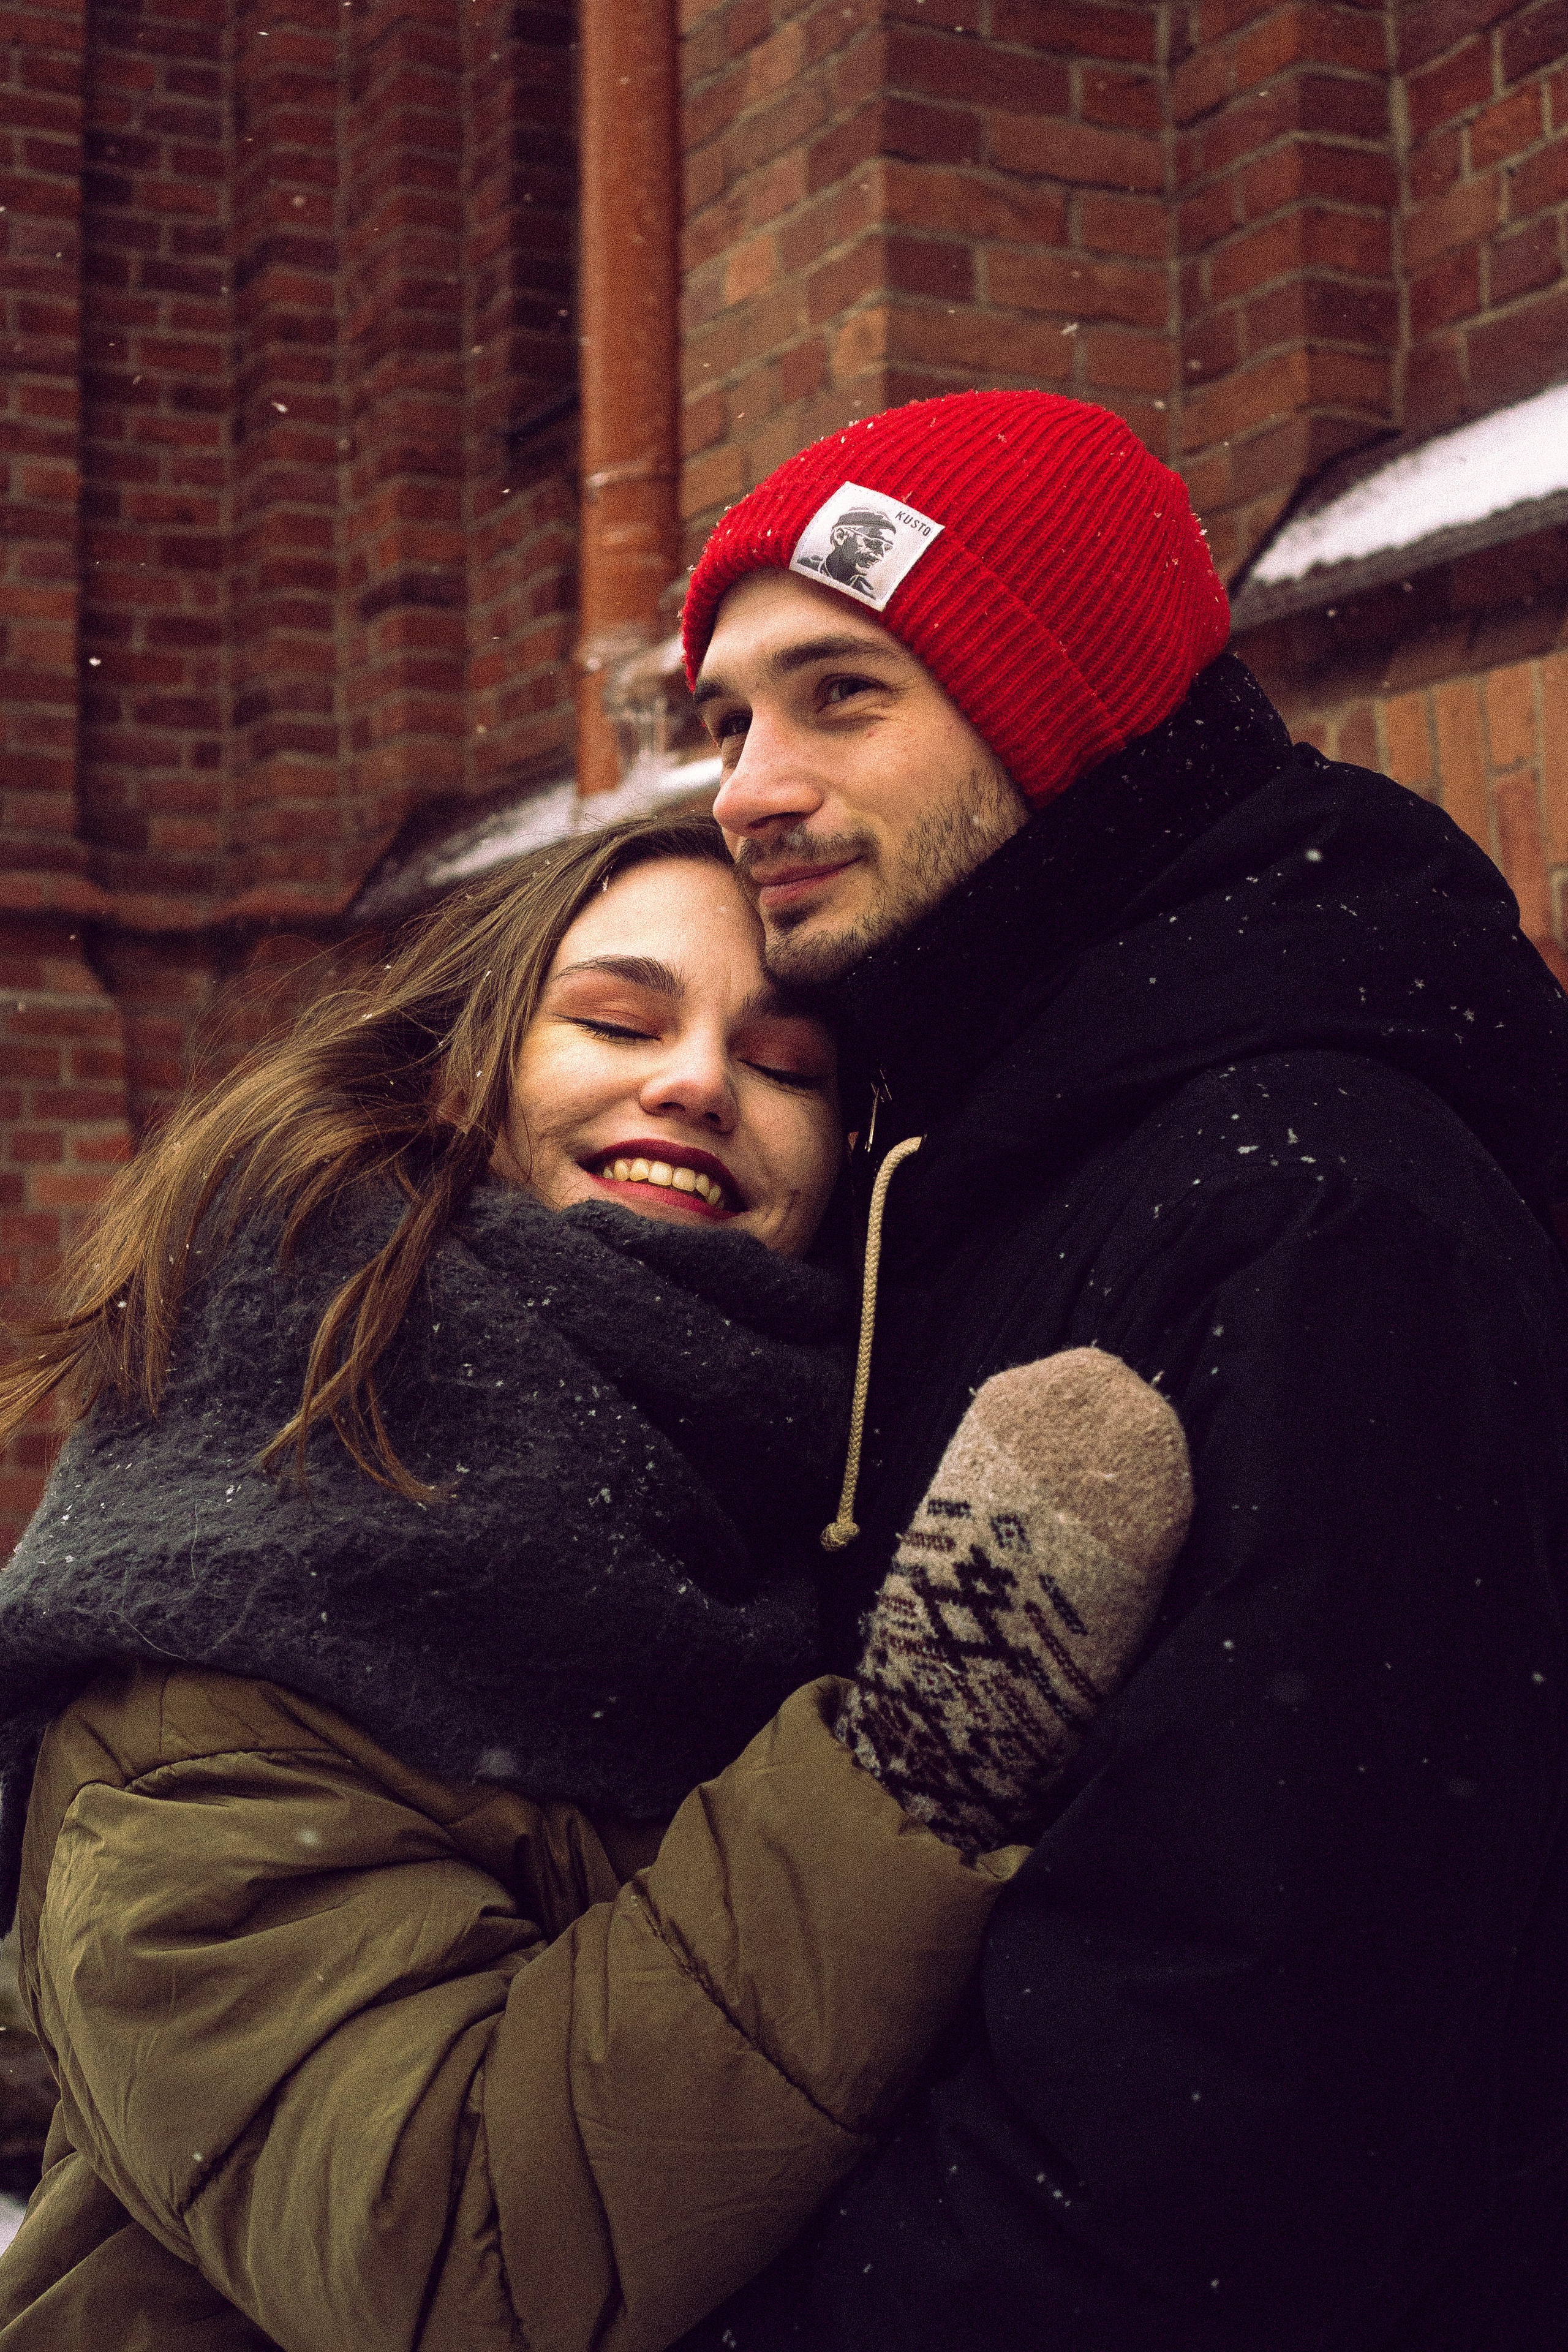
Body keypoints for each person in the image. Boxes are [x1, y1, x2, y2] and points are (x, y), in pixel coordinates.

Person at [0, 809, 1194, 2349]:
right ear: (460, 1084)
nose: (696, 1082)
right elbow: (451, 2248)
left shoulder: (787, 1509)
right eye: (616, 1020)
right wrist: (908, 1770)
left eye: (782, 1066)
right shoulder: (223, 1581)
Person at [676, 388, 1568, 2351]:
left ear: (1059, 707)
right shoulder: (961, 1138)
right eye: (728, 717)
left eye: (839, 695)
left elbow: (1238, 2116)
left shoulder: (1311, 1213)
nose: (745, 785)